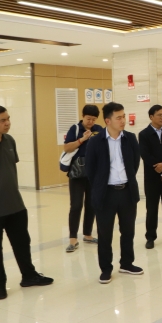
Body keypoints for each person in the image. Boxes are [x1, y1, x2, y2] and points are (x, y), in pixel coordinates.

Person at [0, 105, 54, 300]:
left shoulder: (9, 140)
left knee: (22, 243)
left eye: (8, 119)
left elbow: (7, 168)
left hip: (15, 204)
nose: (7, 123)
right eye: (2, 120)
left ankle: (29, 276)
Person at [86, 102, 143, 284]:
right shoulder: (95, 141)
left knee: (128, 231)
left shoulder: (130, 138)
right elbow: (90, 169)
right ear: (108, 121)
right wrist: (101, 186)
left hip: (127, 192)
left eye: (124, 116)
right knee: (105, 234)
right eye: (119, 118)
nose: (123, 120)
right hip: (106, 194)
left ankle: (126, 263)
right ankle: (106, 268)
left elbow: (135, 163)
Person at [63, 105, 103, 253]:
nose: (91, 122)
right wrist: (82, 139)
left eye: (93, 119)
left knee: (91, 205)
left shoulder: (99, 129)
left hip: (93, 173)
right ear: (83, 116)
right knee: (76, 205)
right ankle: (73, 238)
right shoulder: (75, 129)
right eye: (88, 119)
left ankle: (88, 234)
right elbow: (67, 148)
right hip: (77, 173)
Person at [138, 105, 162, 249]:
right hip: (152, 178)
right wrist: (161, 171)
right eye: (159, 115)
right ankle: (150, 237)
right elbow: (146, 155)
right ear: (151, 117)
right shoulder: (144, 134)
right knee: (152, 208)